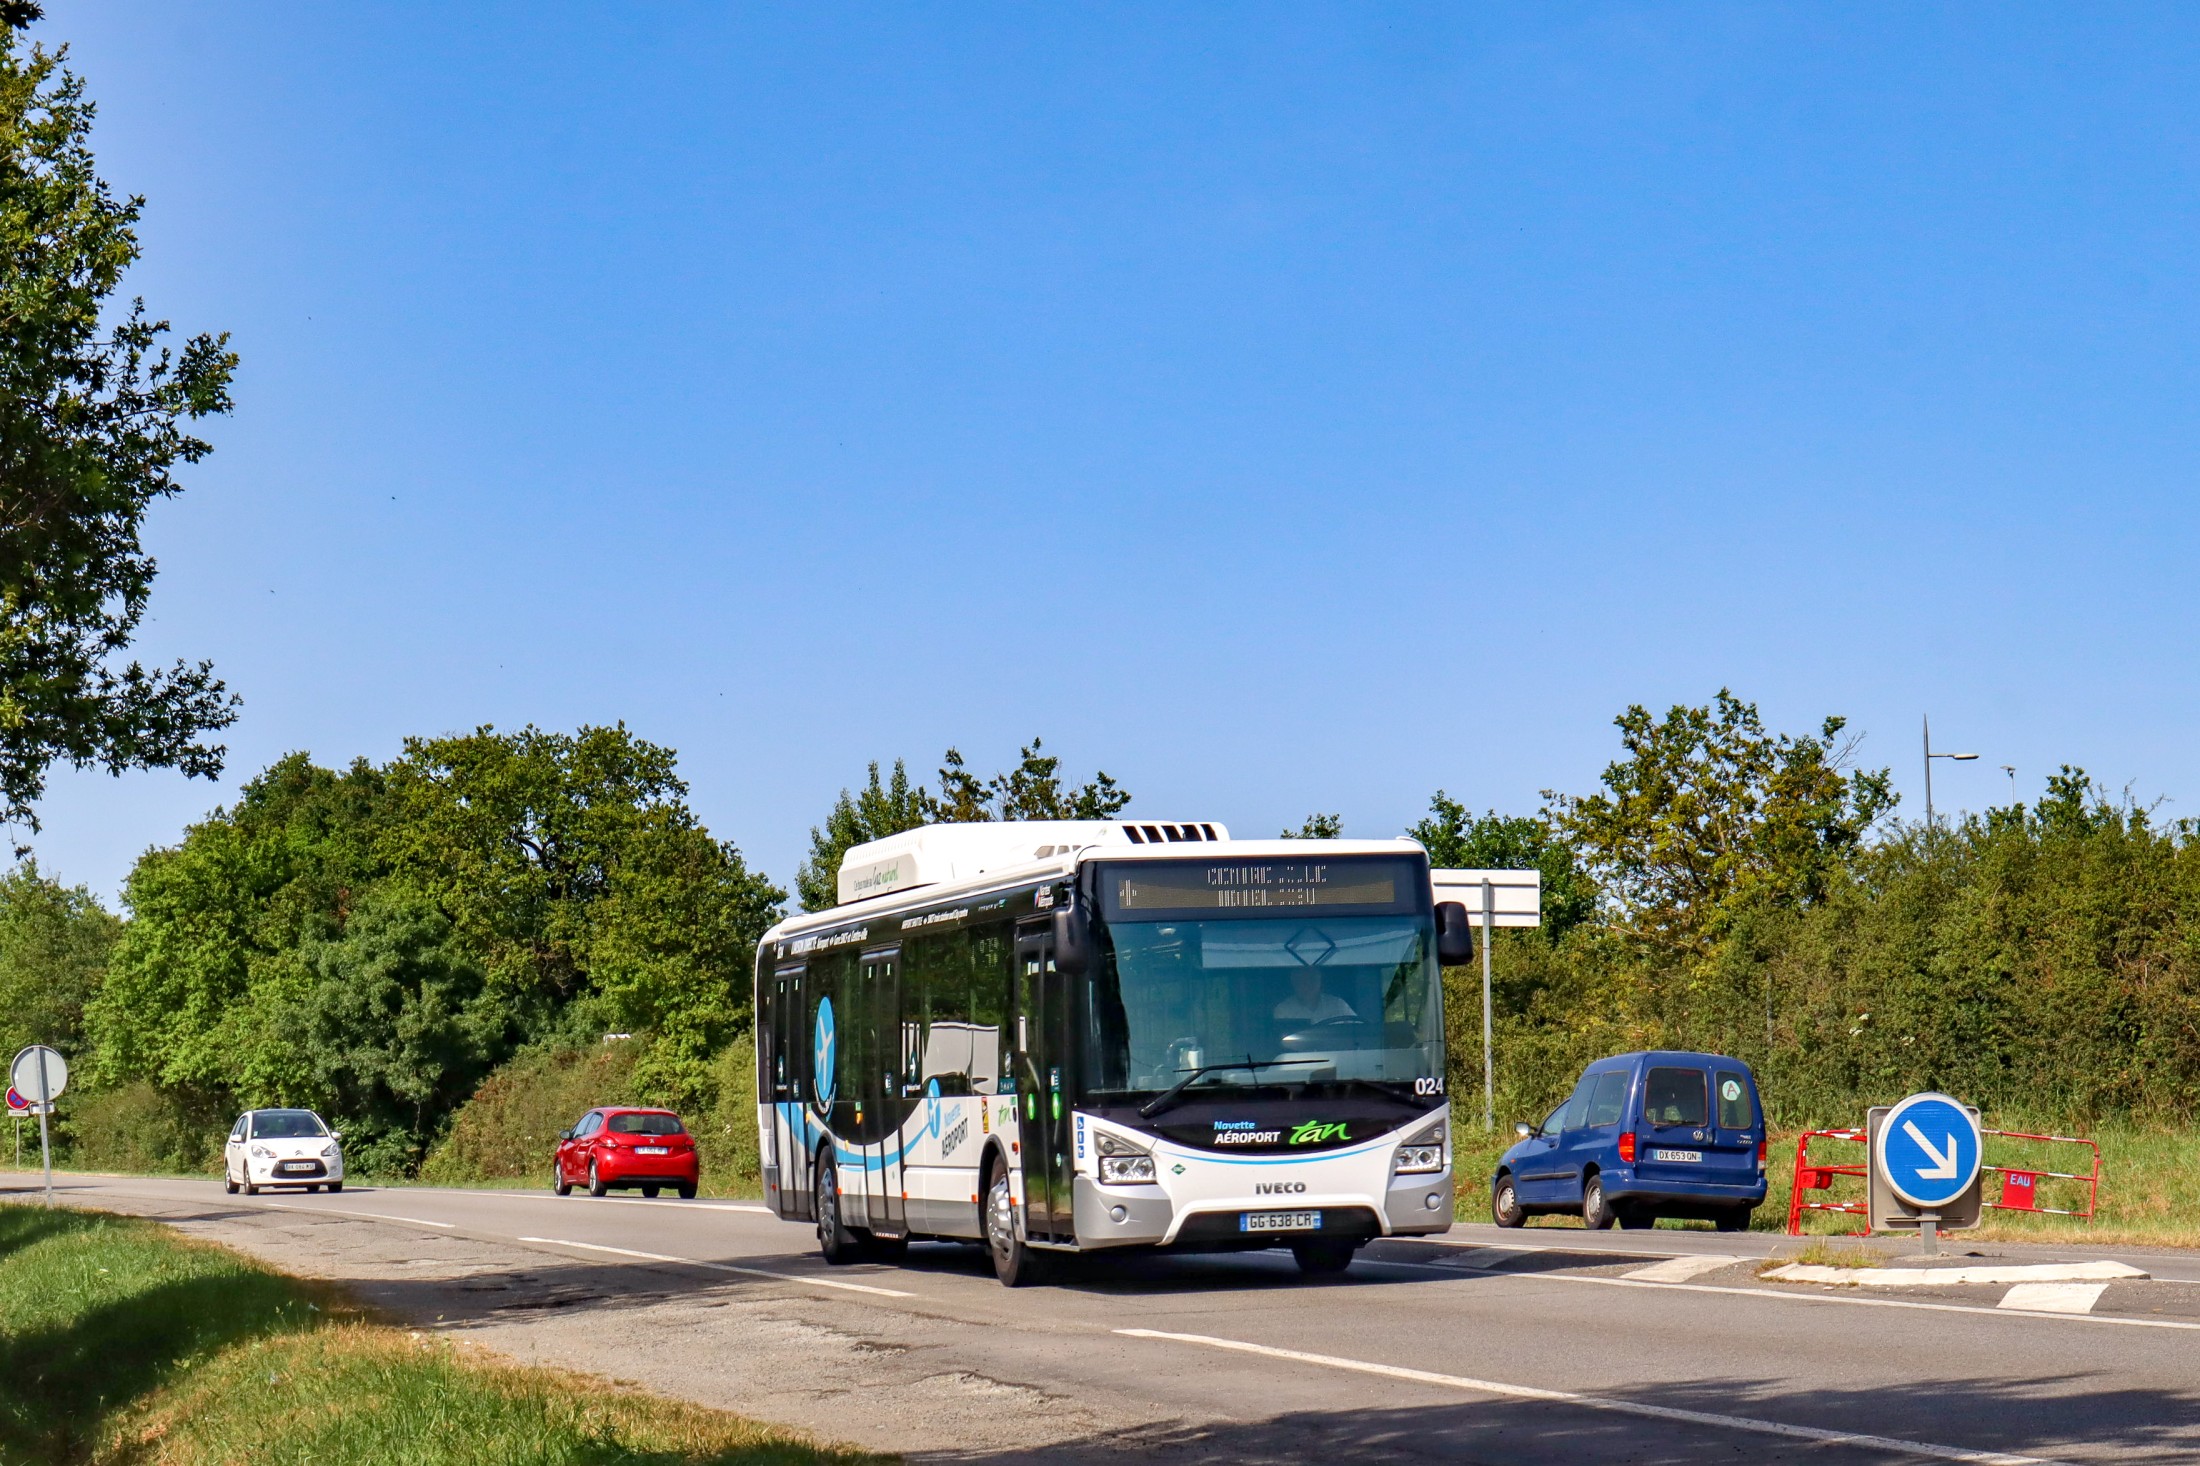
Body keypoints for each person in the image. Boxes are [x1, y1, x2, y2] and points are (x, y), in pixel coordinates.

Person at [1273, 969, 1356, 1024]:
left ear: (1320, 981)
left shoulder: (1338, 1005)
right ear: (1294, 983)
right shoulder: (1283, 1010)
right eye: (1302, 981)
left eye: (1312, 980)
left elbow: (1358, 1030)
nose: (1308, 985)